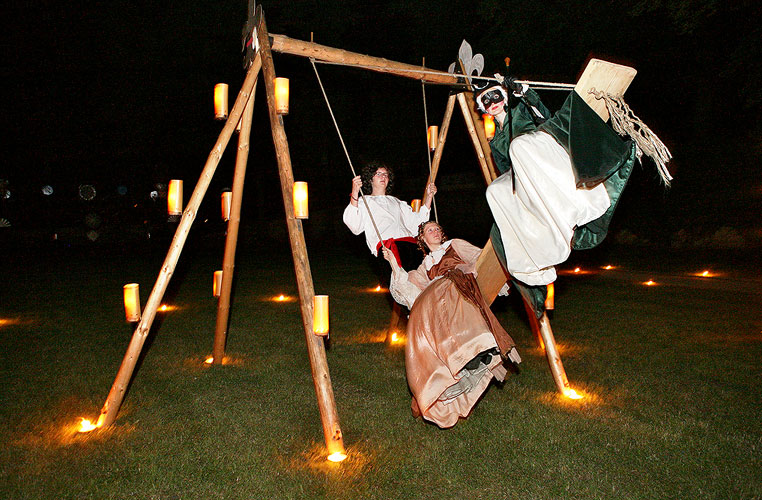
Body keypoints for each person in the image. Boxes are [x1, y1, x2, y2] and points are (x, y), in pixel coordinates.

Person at [475, 76, 636, 286]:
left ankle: (576, 207)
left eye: (495, 95)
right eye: (486, 100)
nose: (492, 101)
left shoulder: (520, 112)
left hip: (542, 147)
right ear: (483, 109)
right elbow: (505, 169)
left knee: (519, 146)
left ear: (504, 97)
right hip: (525, 170)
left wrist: (525, 93)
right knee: (495, 190)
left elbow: (544, 116)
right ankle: (532, 257)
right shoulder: (495, 139)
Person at [382, 221, 521, 428]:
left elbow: (480, 257)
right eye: (430, 230)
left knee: (442, 290)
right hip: (440, 300)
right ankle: (450, 367)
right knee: (421, 312)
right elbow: (410, 290)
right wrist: (394, 262)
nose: (436, 231)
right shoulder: (424, 267)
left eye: (438, 228)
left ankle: (475, 350)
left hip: (459, 283)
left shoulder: (454, 245)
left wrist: (471, 271)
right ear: (422, 239)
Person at [343, 162, 437, 271]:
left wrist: (429, 197)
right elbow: (354, 225)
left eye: (385, 174)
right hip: (389, 249)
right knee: (401, 284)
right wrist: (355, 191)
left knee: (422, 281)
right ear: (370, 179)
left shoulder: (397, 202)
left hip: (410, 246)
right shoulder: (364, 201)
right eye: (378, 174)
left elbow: (417, 224)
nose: (383, 176)